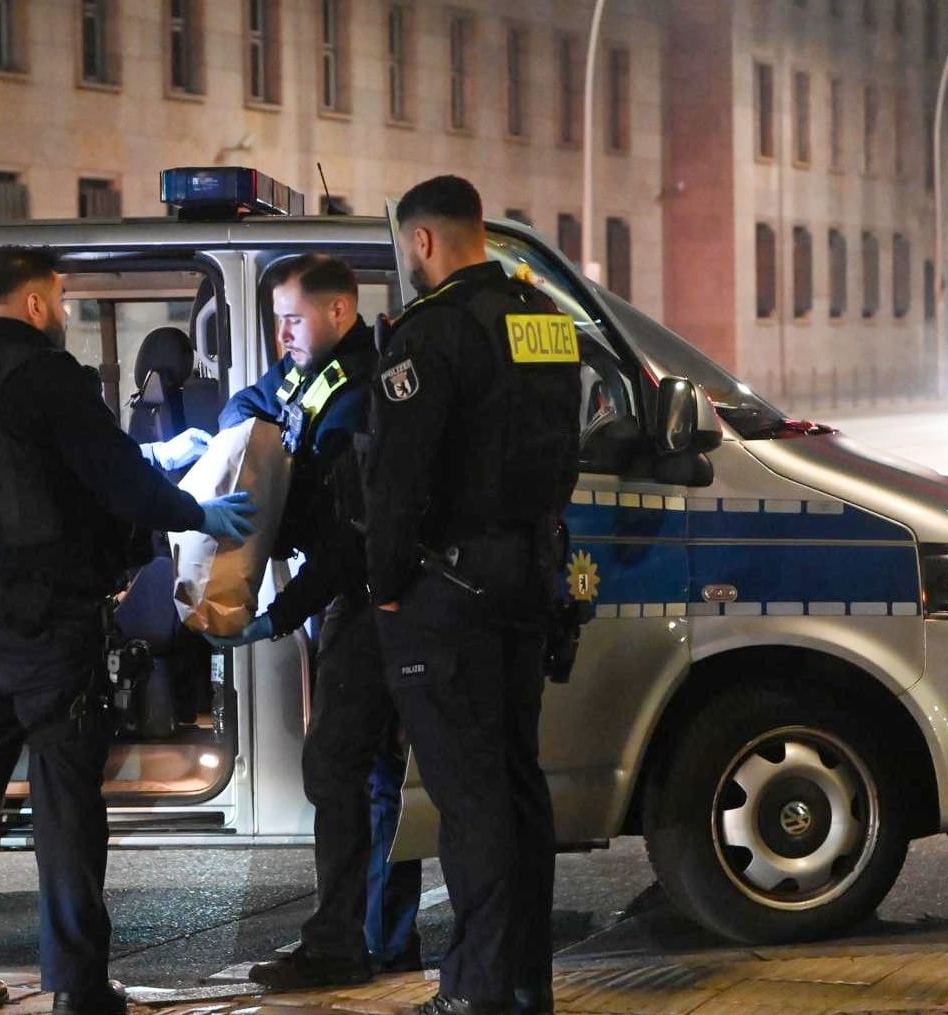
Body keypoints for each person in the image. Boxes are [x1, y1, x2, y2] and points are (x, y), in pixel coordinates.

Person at [0, 247, 256, 1015]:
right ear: (36, 303)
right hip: (47, 627)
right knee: (66, 808)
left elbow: (15, 479)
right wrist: (195, 511)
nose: (64, 312)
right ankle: (76, 987)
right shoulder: (48, 375)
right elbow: (114, 478)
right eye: (61, 298)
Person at [365, 176, 582, 1015]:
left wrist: (386, 587)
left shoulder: (434, 332)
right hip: (528, 576)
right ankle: (527, 982)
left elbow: (398, 479)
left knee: (471, 798)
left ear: (424, 242)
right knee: (517, 783)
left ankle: (477, 993)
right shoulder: (542, 320)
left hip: (446, 590)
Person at [210, 254, 422, 986]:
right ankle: (384, 938)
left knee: (341, 765)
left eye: (293, 319)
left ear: (339, 312)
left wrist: (273, 618)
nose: (283, 335)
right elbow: (255, 399)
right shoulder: (317, 372)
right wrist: (244, 422)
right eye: (277, 321)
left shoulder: (363, 393)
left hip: (368, 598)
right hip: (349, 595)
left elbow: (347, 544)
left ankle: (341, 945)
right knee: (368, 771)